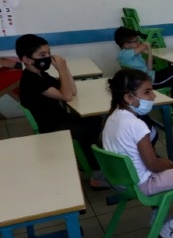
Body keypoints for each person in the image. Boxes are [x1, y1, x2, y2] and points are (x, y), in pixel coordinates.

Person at [102, 68, 173, 238]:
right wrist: (169, 165)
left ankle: (158, 215)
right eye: (147, 92)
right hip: (142, 184)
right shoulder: (136, 125)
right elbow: (153, 164)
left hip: (121, 183)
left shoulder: (112, 117)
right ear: (128, 97)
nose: (153, 96)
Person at [15, 34, 106, 188]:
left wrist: (65, 68)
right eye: (42, 55)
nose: (48, 58)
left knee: (96, 119)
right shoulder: (32, 80)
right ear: (26, 59)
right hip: (51, 126)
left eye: (49, 53)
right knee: (90, 130)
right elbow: (67, 96)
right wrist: (61, 69)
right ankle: (96, 175)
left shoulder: (41, 74)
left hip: (60, 118)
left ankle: (94, 161)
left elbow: (73, 90)